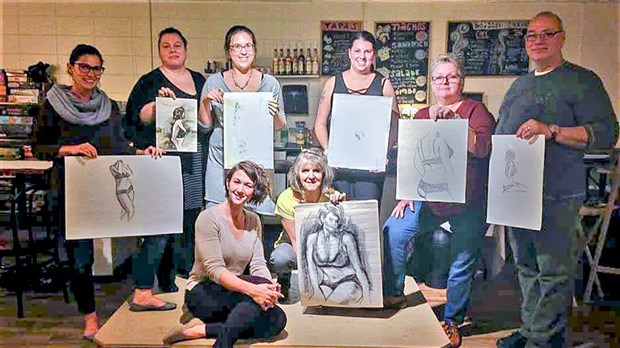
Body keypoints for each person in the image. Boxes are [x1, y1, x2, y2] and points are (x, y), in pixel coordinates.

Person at [495, 12, 618, 348]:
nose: (538, 40)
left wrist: (551, 131)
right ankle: (532, 330)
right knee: (526, 268)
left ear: (562, 38)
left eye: (547, 34)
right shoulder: (519, 85)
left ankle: (544, 341)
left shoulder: (582, 81)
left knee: (553, 272)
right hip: (517, 195)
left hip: (558, 194)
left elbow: (606, 133)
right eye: (532, 35)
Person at [32, 44, 162, 339]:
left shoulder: (107, 106)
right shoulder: (53, 104)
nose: (91, 73)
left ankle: (143, 292)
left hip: (106, 188)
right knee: (80, 259)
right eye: (84, 67)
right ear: (70, 68)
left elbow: (117, 144)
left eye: (96, 68)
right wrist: (70, 149)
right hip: (72, 190)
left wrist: (140, 152)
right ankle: (90, 318)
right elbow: (39, 146)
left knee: (154, 227)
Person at [383, 53, 496, 347]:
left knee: (461, 259)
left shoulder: (476, 111)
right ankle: (395, 292)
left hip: (467, 203)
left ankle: (453, 318)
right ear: (431, 83)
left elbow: (483, 148)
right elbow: (411, 158)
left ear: (462, 81)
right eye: (438, 77)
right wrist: (406, 193)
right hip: (429, 200)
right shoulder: (422, 114)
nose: (445, 82)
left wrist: (457, 122)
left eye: (452, 76)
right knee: (394, 230)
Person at [124, 27, 206, 309]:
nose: (172, 49)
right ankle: (158, 284)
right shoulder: (149, 81)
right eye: (166, 45)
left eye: (177, 45)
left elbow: (205, 120)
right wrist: (158, 105)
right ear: (159, 50)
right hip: (163, 162)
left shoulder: (198, 79)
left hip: (193, 160)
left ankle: (182, 281)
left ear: (186, 48)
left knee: (190, 221)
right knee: (162, 224)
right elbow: (137, 119)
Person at [162, 161, 287, 347]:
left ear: (254, 190)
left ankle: (201, 330)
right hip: (204, 291)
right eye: (236, 182)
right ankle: (223, 343)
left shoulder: (253, 220)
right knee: (253, 302)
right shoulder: (208, 218)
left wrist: (268, 287)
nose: (240, 189)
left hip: (235, 288)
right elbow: (214, 270)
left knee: (278, 319)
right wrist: (254, 290)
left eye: (248, 185)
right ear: (228, 183)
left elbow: (258, 264)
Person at [200, 25, 286, 214]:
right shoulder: (213, 81)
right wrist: (205, 101)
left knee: (252, 227)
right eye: (237, 46)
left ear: (254, 49)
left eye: (248, 46)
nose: (243, 51)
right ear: (229, 51)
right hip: (220, 164)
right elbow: (205, 126)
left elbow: (279, 125)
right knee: (220, 221)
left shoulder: (270, 83)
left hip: (255, 166)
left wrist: (275, 113)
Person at [314, 31, 400, 202]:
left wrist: (384, 153)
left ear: (374, 55)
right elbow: (320, 123)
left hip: (370, 170)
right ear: (349, 53)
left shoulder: (384, 85)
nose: (362, 56)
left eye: (367, 52)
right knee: (339, 215)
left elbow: (395, 126)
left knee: (365, 217)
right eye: (358, 51)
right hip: (339, 167)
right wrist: (328, 149)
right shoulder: (333, 83)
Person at [269, 148, 346, 301]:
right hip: (293, 243)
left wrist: (341, 203)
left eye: (316, 171)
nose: (311, 176)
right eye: (305, 171)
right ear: (297, 174)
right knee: (281, 258)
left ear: (324, 174)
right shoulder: (286, 198)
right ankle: (284, 279)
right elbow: (295, 239)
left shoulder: (330, 195)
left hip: (323, 243)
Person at [300, 203, 371, 305]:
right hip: (325, 284)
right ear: (322, 219)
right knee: (319, 299)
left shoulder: (346, 238)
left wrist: (367, 295)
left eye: (336, 220)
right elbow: (311, 268)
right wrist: (316, 289)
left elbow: (358, 267)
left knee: (329, 302)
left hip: (347, 282)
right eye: (331, 220)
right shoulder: (312, 238)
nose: (335, 224)